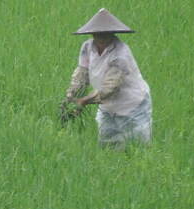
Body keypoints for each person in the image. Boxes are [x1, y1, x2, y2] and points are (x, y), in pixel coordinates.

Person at [65, 8, 152, 148]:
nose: (102, 38)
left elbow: (109, 88)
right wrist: (71, 94)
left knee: (136, 147)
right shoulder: (87, 47)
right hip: (107, 105)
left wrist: (83, 101)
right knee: (107, 146)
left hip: (132, 104)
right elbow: (82, 73)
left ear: (112, 34)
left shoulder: (121, 53)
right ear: (92, 34)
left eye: (106, 34)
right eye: (98, 34)